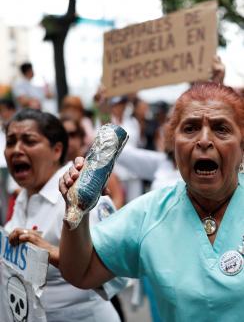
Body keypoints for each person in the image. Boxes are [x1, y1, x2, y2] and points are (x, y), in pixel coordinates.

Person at [55, 82, 244, 321]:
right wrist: (76, 214)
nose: (204, 140)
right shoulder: (149, 214)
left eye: (221, 129)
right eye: (191, 128)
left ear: (242, 145)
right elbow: (80, 272)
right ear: (172, 143)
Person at [4, 109, 123, 322]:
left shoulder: (83, 191)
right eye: (10, 142)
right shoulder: (22, 198)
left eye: (29, 141)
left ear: (57, 150)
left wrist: (50, 252)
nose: (17, 150)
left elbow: (117, 272)